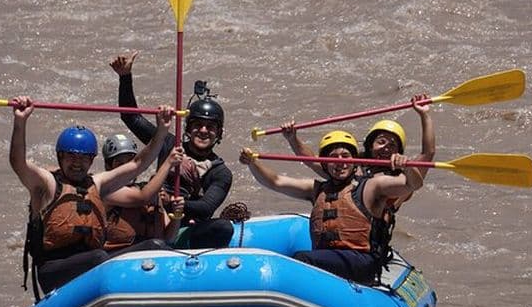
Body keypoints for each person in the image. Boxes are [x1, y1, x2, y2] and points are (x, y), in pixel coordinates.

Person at [10, 95, 175, 299]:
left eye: (83, 158)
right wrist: (20, 121)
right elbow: (18, 163)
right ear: (60, 156)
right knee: (98, 257)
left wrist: (161, 131)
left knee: (155, 246)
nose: (77, 163)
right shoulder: (46, 184)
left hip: (94, 263)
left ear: (91, 160)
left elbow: (136, 164)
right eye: (71, 156)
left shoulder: (97, 184)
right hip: (54, 270)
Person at [239, 130, 424, 285]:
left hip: (361, 262)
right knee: (304, 258)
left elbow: (413, 185)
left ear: (355, 162)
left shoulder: (371, 187)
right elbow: (275, 182)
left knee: (302, 259)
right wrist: (253, 163)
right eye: (333, 157)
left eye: (345, 156)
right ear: (325, 164)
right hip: (327, 259)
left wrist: (407, 166)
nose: (340, 162)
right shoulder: (316, 189)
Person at [110, 50, 234, 249]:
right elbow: (131, 118)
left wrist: (173, 201)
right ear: (188, 128)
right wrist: (125, 77)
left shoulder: (220, 172)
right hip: (155, 219)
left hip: (185, 226)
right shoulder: (169, 144)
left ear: (218, 133)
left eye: (210, 127)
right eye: (197, 125)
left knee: (223, 228)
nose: (203, 131)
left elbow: (205, 208)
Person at [281, 93, 435, 210]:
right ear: (370, 146)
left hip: (370, 238)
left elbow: (428, 153)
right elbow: (311, 160)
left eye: (392, 145)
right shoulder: (350, 168)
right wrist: (292, 138)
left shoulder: (403, 179)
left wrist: (424, 115)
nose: (386, 148)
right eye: (381, 142)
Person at [101, 133, 186, 245]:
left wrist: (177, 214)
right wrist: (168, 163)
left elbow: (169, 239)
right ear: (108, 166)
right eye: (120, 164)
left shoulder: (153, 194)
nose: (126, 169)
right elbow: (143, 197)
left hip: (152, 252)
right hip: (120, 254)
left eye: (130, 162)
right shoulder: (106, 192)